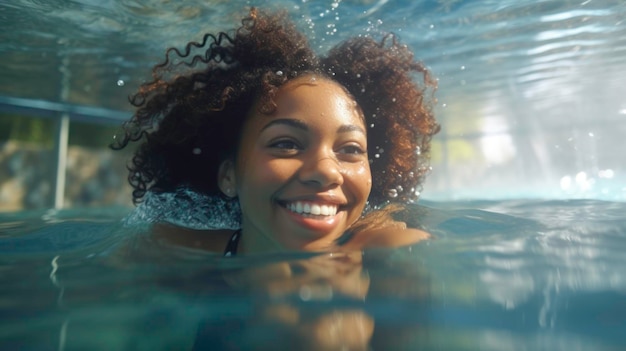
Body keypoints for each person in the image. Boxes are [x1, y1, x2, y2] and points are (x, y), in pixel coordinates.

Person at [111, 7, 440, 256]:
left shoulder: (393, 255)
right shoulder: (169, 252)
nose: (326, 171)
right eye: (286, 144)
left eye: (351, 149)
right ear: (228, 176)